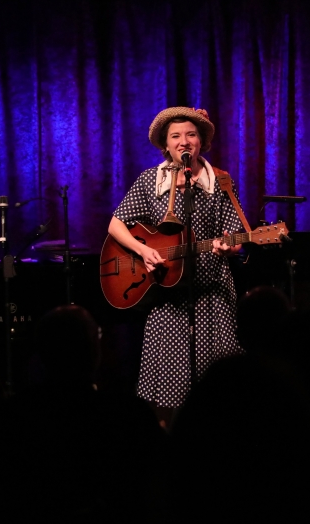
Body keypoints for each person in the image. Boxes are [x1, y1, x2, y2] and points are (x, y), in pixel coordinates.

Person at [107, 106, 244, 427]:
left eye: (191, 135)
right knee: (166, 388)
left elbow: (234, 235)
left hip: (212, 295)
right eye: (176, 136)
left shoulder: (220, 181)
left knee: (218, 386)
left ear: (201, 142)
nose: (184, 141)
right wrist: (143, 250)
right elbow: (116, 224)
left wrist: (230, 246)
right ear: (166, 145)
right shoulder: (150, 181)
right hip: (167, 295)